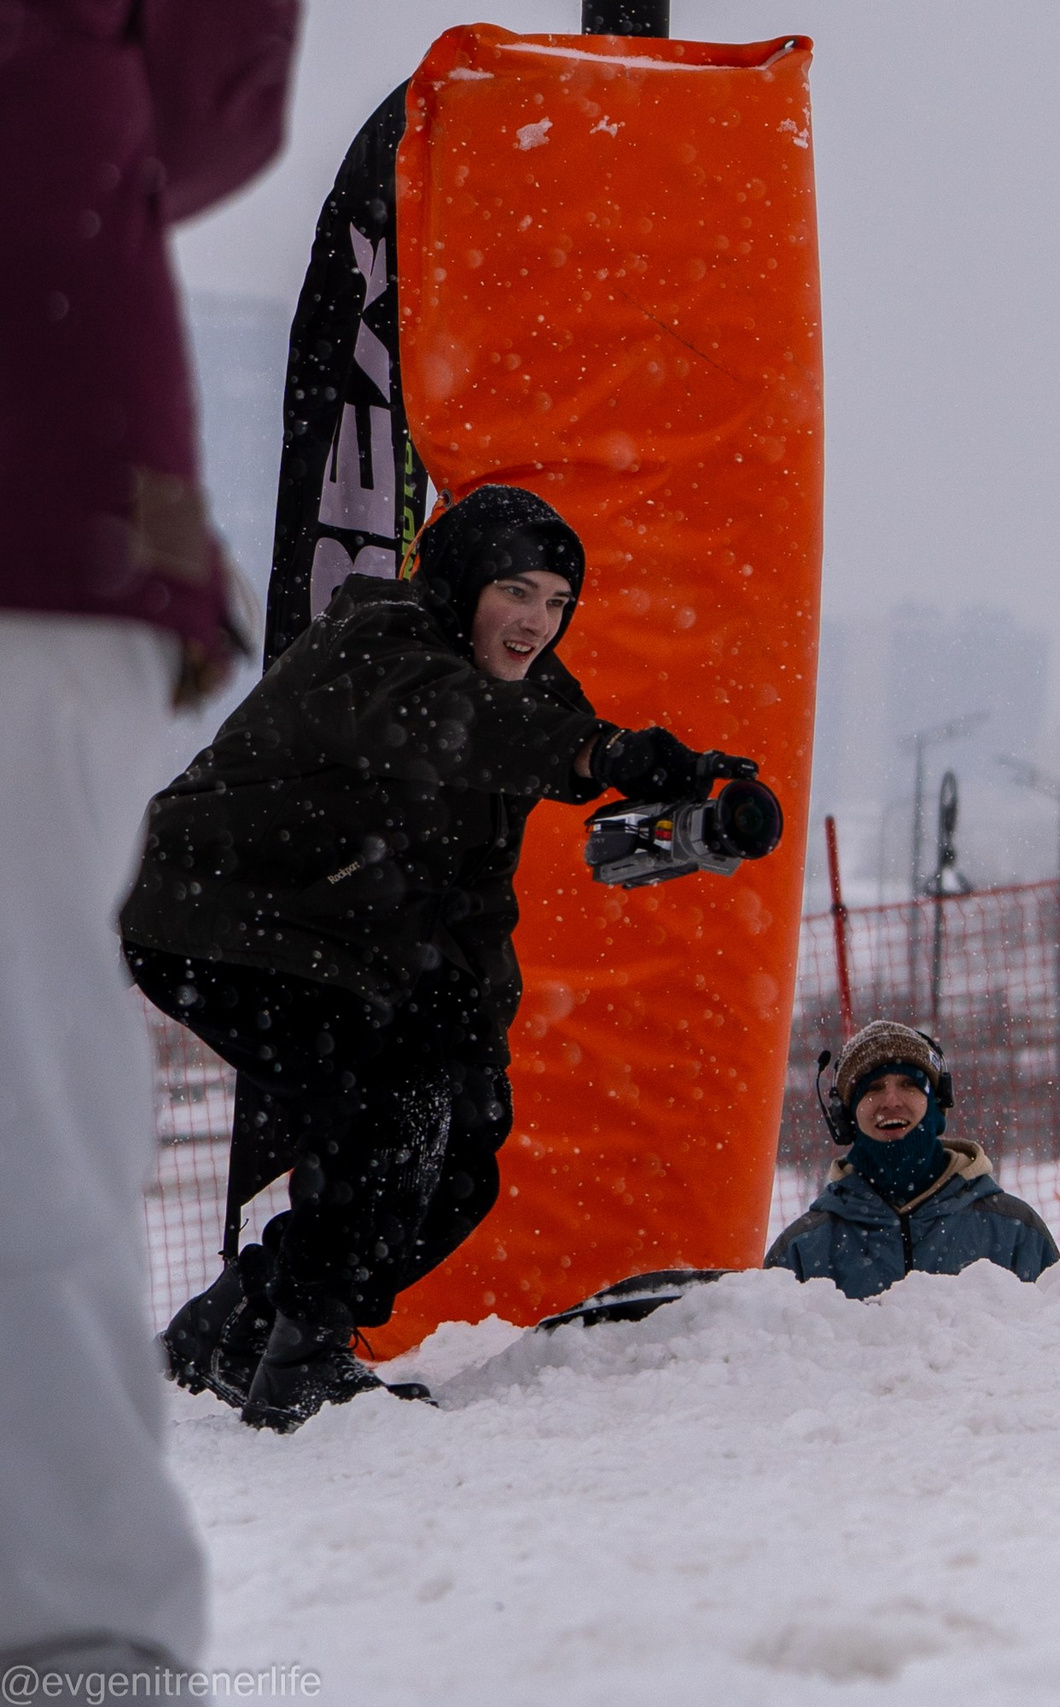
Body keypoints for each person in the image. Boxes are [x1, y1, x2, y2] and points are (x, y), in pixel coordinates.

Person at [120, 483, 756, 1432]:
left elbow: (479, 879)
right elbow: (475, 728)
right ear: (460, 584)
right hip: (216, 918)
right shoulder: (378, 640)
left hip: (341, 938)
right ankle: (299, 1364)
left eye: (555, 600)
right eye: (515, 592)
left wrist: (690, 789)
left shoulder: (524, 691)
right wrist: (607, 752)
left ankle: (238, 1324)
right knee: (392, 1097)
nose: (536, 621)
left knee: (464, 1148)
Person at [0, 0, 300, 1683]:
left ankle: (63, 1625)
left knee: (18, 1072)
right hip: (61, 500)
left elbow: (204, 94)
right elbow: (209, 95)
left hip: (37, 532)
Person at [767, 1021, 1060, 1299]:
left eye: (909, 1084)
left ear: (937, 1106)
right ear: (846, 1117)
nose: (891, 1101)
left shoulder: (1016, 1232)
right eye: (872, 1088)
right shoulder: (802, 1251)